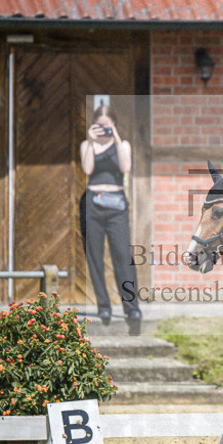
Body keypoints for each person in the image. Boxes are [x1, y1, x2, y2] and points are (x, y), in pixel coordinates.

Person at [79, 106, 142, 324]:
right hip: (92, 204)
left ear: (114, 124)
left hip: (117, 206)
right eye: (100, 125)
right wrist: (90, 140)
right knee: (94, 257)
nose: (104, 129)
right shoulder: (87, 146)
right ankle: (103, 306)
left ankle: (132, 308)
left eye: (108, 125)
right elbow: (87, 169)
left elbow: (125, 167)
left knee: (123, 256)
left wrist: (114, 135)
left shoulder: (122, 145)